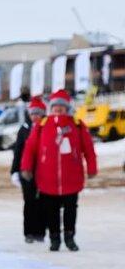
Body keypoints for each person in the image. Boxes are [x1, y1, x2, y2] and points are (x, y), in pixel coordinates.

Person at [20, 90, 98, 251]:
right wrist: (26, 167)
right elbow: (30, 148)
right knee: (51, 210)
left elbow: (88, 148)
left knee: (71, 209)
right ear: (51, 108)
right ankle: (54, 238)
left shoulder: (77, 124)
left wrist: (92, 168)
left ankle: (70, 237)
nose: (58, 109)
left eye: (61, 107)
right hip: (47, 177)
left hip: (72, 176)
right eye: (55, 106)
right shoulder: (42, 125)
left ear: (67, 108)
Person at [10, 96, 46, 242]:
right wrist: (14, 171)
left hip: (43, 171)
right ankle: (29, 233)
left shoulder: (47, 128)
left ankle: (40, 232)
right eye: (32, 113)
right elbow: (17, 152)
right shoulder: (24, 130)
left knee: (42, 202)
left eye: (38, 114)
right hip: (26, 171)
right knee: (29, 202)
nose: (35, 116)